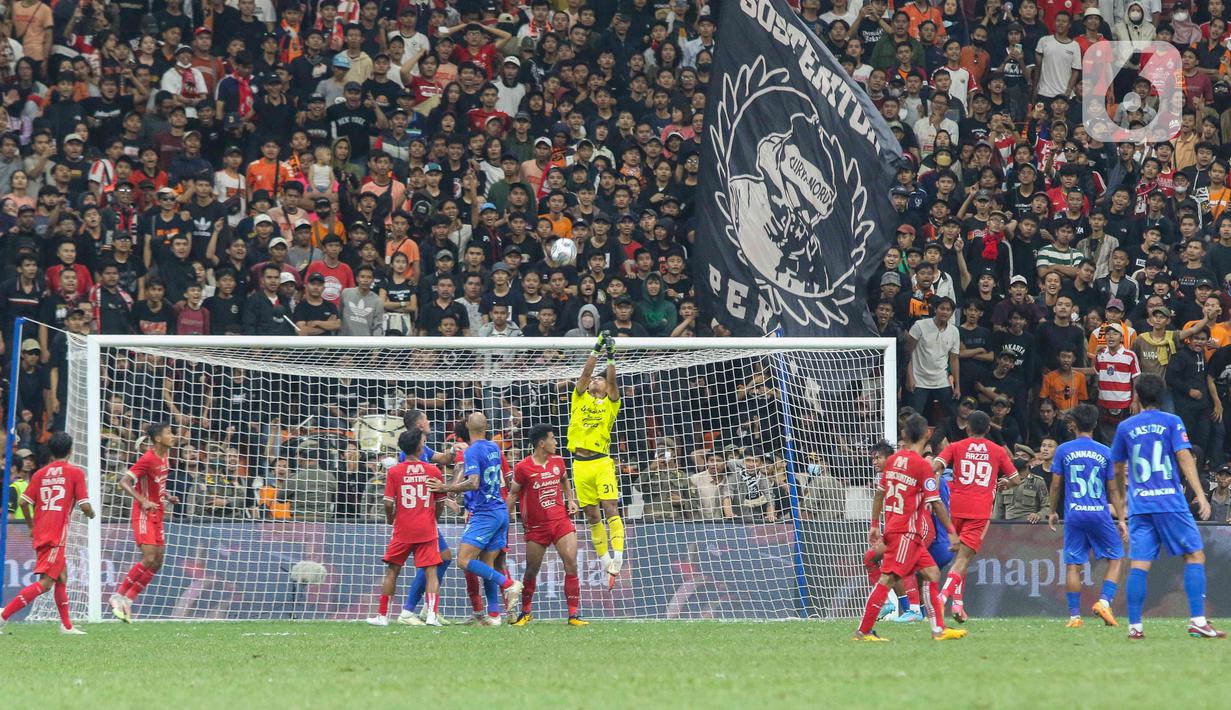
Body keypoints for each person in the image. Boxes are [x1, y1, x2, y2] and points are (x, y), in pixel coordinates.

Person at [1111, 373, 1225, 639]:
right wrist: (1200, 493)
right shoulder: (1172, 421)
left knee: (1139, 564)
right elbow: (1184, 457)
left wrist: (1123, 498)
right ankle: (1197, 620)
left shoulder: (1126, 427)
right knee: (1194, 555)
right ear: (1162, 396)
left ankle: (1135, 627)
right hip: (1170, 502)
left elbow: (1117, 468)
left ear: (1136, 395)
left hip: (1141, 506)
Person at [854, 413, 964, 642]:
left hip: (903, 530)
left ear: (904, 434)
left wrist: (875, 525)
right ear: (928, 434)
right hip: (905, 531)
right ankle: (863, 631)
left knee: (932, 573)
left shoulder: (893, 461)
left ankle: (938, 630)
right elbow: (936, 502)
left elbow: (880, 493)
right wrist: (952, 532)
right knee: (888, 579)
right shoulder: (922, 466)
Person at [427, 412, 522, 626]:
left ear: (468, 426)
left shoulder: (472, 451)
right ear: (486, 426)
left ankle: (508, 584)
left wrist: (446, 488)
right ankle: (495, 615)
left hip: (484, 512)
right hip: (500, 510)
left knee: (463, 560)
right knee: (488, 562)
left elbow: (473, 482)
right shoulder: (494, 447)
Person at [0, 433, 96, 634]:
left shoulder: (40, 474)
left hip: (42, 531)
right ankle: (3, 615)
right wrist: (91, 513)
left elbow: (24, 502)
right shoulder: (75, 473)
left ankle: (67, 626)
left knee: (62, 576)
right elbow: (85, 505)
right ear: (70, 451)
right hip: (56, 534)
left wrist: (31, 526)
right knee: (45, 583)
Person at [933, 411, 1020, 622]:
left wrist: (933, 480)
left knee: (959, 559)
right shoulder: (998, 451)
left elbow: (935, 466)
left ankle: (958, 605)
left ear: (967, 428)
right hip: (979, 511)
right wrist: (1005, 483)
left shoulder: (955, 446)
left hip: (956, 507)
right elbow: (1016, 478)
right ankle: (942, 598)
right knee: (963, 558)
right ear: (988, 428)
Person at [1047, 404, 1126, 629]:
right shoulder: (1105, 452)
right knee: (1116, 557)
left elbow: (1055, 486)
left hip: (1074, 514)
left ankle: (1074, 617)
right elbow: (1113, 490)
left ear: (1074, 425)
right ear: (1095, 424)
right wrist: (1121, 519)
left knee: (1073, 564)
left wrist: (1052, 511)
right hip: (1099, 513)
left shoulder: (1063, 450)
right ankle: (1103, 602)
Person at [508, 424, 587, 626]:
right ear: (542, 443)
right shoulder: (523, 467)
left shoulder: (559, 462)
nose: (556, 442)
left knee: (571, 562)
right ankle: (525, 612)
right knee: (531, 570)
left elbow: (564, 479)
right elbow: (514, 493)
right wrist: (504, 517)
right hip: (536, 527)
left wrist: (571, 499)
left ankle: (573, 615)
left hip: (561, 521)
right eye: (552, 438)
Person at [366, 428, 445, 628]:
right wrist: (433, 518)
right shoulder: (433, 470)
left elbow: (387, 503)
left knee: (392, 571)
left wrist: (391, 519)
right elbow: (441, 501)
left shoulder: (394, 471)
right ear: (420, 447)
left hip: (403, 529)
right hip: (427, 529)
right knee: (431, 572)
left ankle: (383, 616)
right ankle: (432, 616)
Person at [396, 408, 464, 626]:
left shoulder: (422, 448)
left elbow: (443, 458)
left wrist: (454, 450)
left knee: (442, 558)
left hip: (424, 517)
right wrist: (444, 497)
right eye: (425, 418)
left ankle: (427, 608)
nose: (429, 421)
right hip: (417, 518)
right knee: (436, 561)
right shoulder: (409, 454)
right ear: (419, 425)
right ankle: (408, 611)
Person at [569, 332, 625, 588]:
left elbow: (613, 384)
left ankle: (619, 557)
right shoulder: (579, 399)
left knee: (610, 508)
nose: (594, 382)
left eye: (599, 380)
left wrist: (610, 356)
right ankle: (606, 563)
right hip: (579, 465)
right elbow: (583, 376)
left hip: (601, 462)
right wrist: (595, 350)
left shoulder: (610, 404)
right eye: (593, 380)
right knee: (592, 515)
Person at [110, 422, 179, 623]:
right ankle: (118, 596)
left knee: (158, 561)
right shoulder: (147, 458)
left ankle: (128, 600)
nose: (173, 436)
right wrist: (143, 501)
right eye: (169, 433)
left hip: (158, 513)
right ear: (158, 439)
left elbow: (157, 484)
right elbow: (123, 482)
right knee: (149, 558)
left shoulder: (165, 456)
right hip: (143, 513)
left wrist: (167, 496)